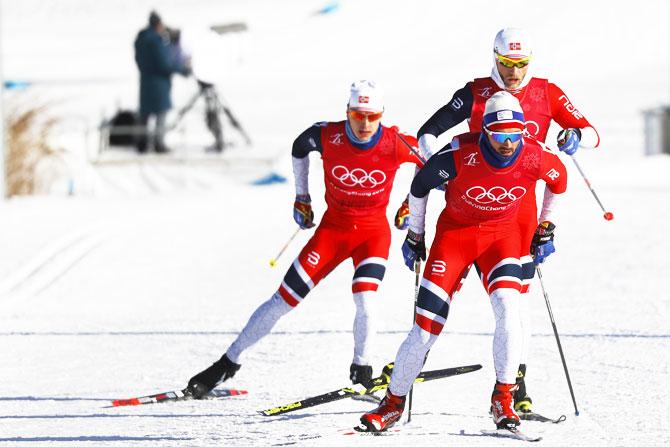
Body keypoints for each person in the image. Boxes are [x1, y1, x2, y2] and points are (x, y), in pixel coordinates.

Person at [395, 27, 600, 413]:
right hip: (469, 198)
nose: (514, 71)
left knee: (514, 305)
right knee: (498, 303)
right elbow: (427, 132)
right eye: (507, 63)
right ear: (495, 57)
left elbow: (591, 134)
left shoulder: (547, 92)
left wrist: (575, 137)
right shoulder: (475, 93)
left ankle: (513, 388)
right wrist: (435, 170)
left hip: (518, 210)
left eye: (521, 64)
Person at [186, 80, 424, 398]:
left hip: (372, 235)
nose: (365, 124)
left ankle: (362, 370)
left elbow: (429, 163)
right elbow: (300, 147)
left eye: (372, 116)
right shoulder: (329, 135)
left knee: (366, 300)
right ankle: (227, 363)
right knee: (282, 301)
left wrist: (411, 204)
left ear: (381, 114)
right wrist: (302, 197)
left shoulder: (394, 141)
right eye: (357, 115)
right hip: (332, 232)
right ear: (347, 112)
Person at [360, 91, 568, 432]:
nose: (507, 143)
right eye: (500, 135)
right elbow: (419, 185)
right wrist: (415, 234)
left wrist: (546, 226)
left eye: (514, 134)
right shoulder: (459, 153)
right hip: (455, 238)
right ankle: (393, 404)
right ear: (485, 130)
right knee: (425, 328)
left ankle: (503, 397)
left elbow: (559, 182)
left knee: (508, 307)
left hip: (501, 239)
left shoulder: (535, 155)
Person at [133, 11, 190, 153]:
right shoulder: (156, 42)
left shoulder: (141, 39)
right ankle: (159, 144)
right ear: (158, 24)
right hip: (159, 84)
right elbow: (165, 64)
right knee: (161, 113)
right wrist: (183, 69)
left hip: (145, 82)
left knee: (144, 114)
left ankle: (142, 143)